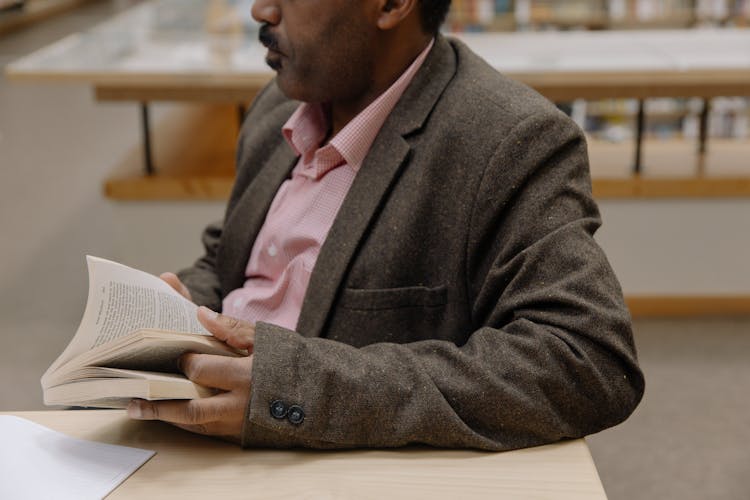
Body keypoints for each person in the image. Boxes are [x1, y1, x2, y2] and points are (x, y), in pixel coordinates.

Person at [126, 0, 644, 450]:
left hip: (315, 462)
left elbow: (587, 361)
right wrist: (172, 309)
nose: (261, 11)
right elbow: (233, 262)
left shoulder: (508, 139)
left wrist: (301, 391)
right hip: (189, 434)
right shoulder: (278, 105)